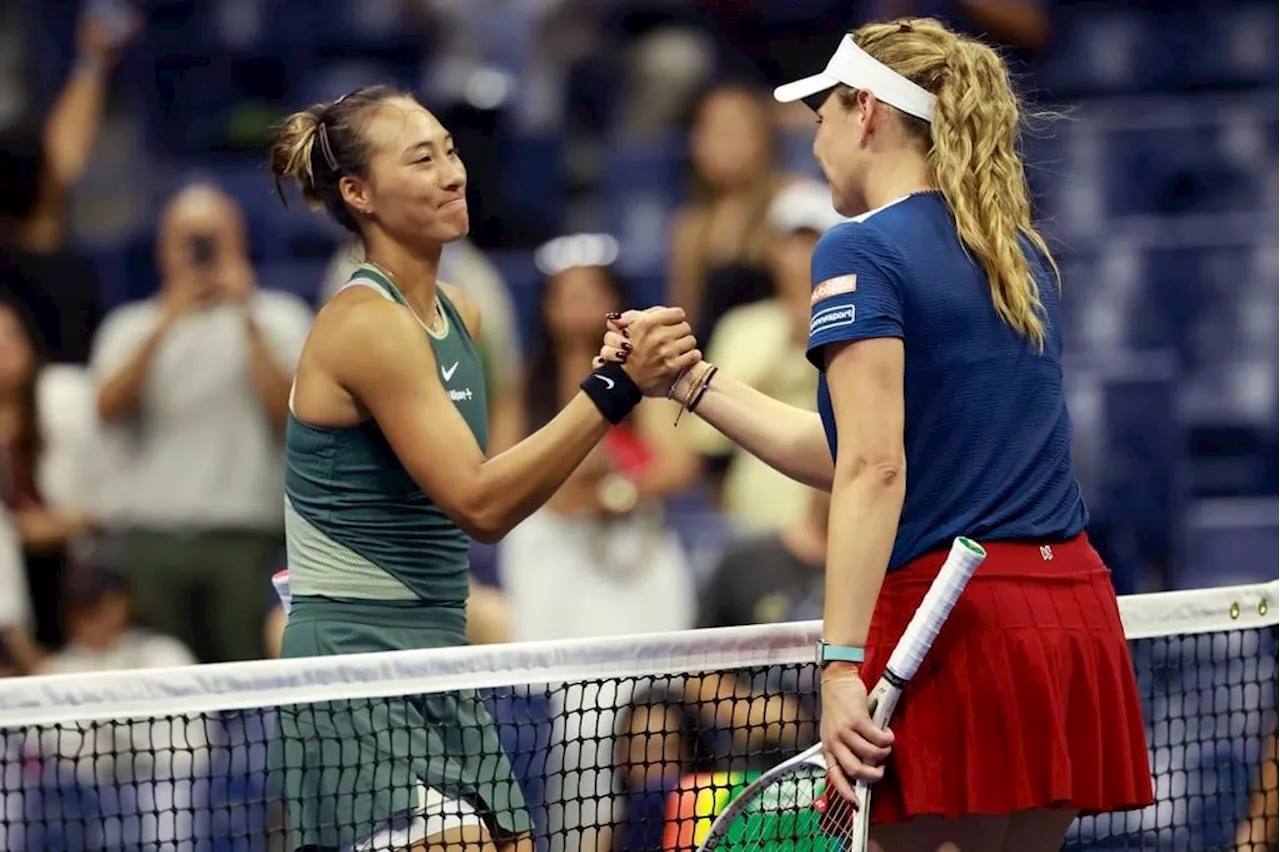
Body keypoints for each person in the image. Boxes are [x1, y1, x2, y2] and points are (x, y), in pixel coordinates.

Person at [600, 18, 1153, 852]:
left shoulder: (859, 249)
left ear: (865, 112)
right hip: (1066, 615)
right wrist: (691, 385)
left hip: (954, 625)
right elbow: (851, 450)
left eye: (821, 112)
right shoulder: (1012, 251)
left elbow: (872, 464)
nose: (812, 138)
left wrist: (838, 665)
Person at [265, 85, 696, 852]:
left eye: (451, 151)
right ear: (358, 194)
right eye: (421, 159)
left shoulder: (463, 314)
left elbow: (490, 475)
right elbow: (481, 504)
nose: (452, 173)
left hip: (439, 654)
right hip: (356, 664)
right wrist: (613, 387)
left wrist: (604, 382)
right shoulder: (363, 323)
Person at [90, 184, 312, 664]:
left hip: (245, 539)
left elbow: (292, 415)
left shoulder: (278, 318)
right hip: (153, 540)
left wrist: (246, 315)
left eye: (211, 238)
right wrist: (166, 321)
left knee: (250, 683)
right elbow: (107, 409)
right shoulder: (130, 326)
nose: (199, 252)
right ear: (163, 248)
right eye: (187, 239)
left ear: (237, 240)